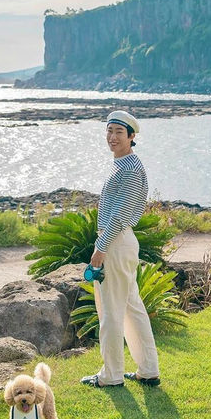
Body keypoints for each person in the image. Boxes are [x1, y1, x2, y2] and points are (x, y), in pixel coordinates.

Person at [81, 110, 161, 389]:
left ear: (131, 136)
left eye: (118, 132)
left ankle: (111, 375)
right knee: (131, 307)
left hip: (115, 242)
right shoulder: (128, 163)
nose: (112, 137)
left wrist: (100, 250)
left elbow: (119, 214)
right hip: (122, 241)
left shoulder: (128, 169)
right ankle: (148, 369)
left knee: (111, 312)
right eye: (109, 131)